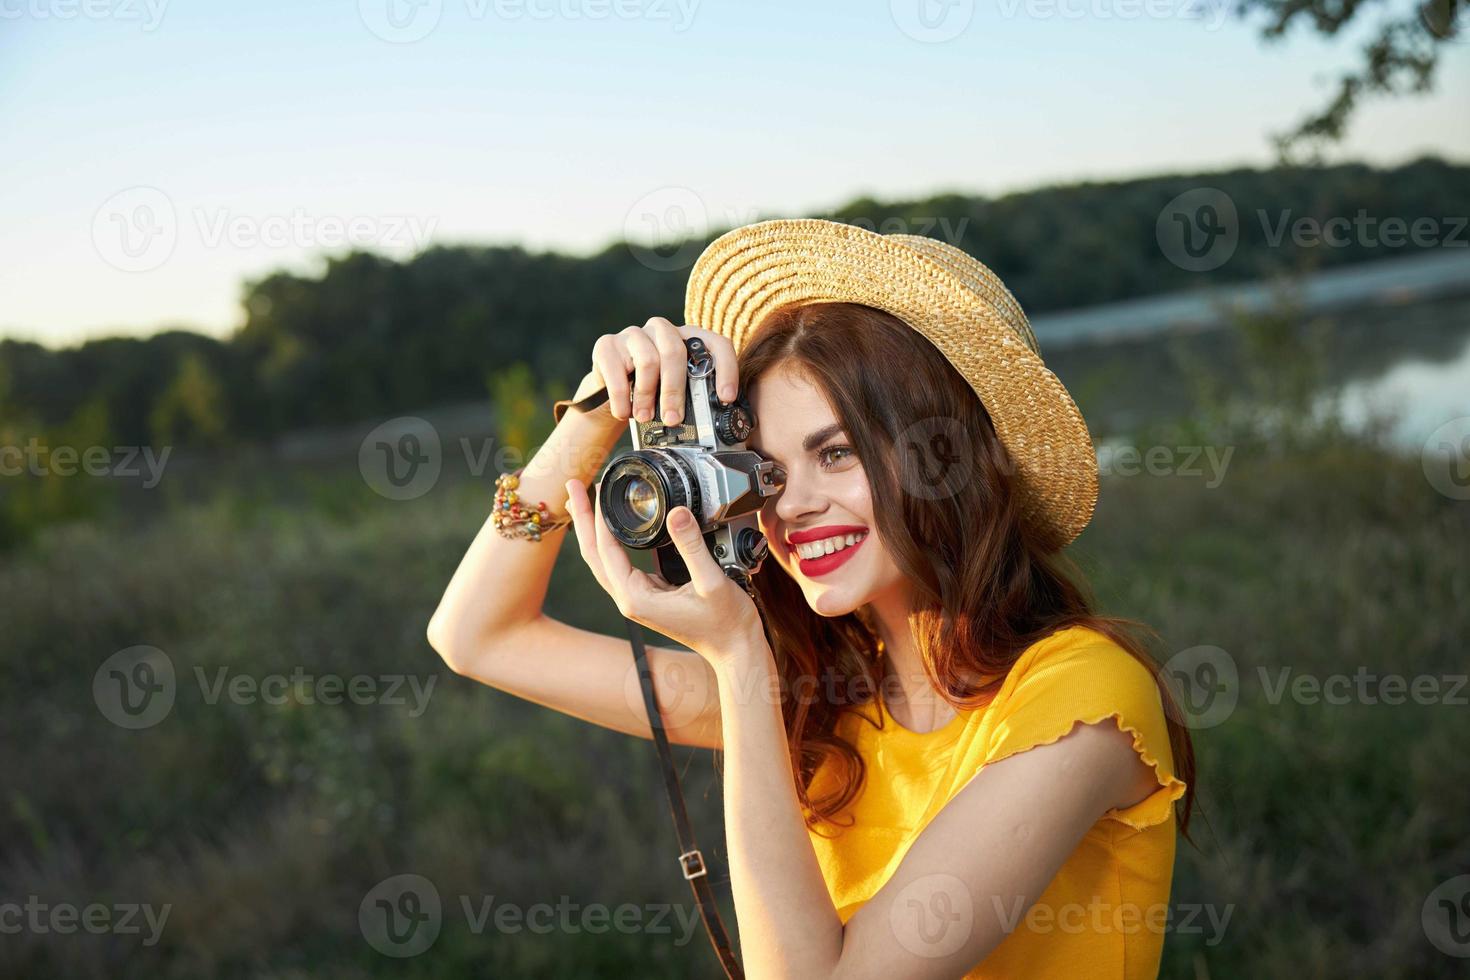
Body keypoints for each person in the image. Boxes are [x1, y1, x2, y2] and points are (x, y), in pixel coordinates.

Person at [428, 218, 1196, 979]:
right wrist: (596, 414)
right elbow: (477, 636)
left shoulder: (1082, 699)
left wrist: (736, 661)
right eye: (767, 468)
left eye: (836, 453)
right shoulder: (820, 698)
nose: (790, 505)